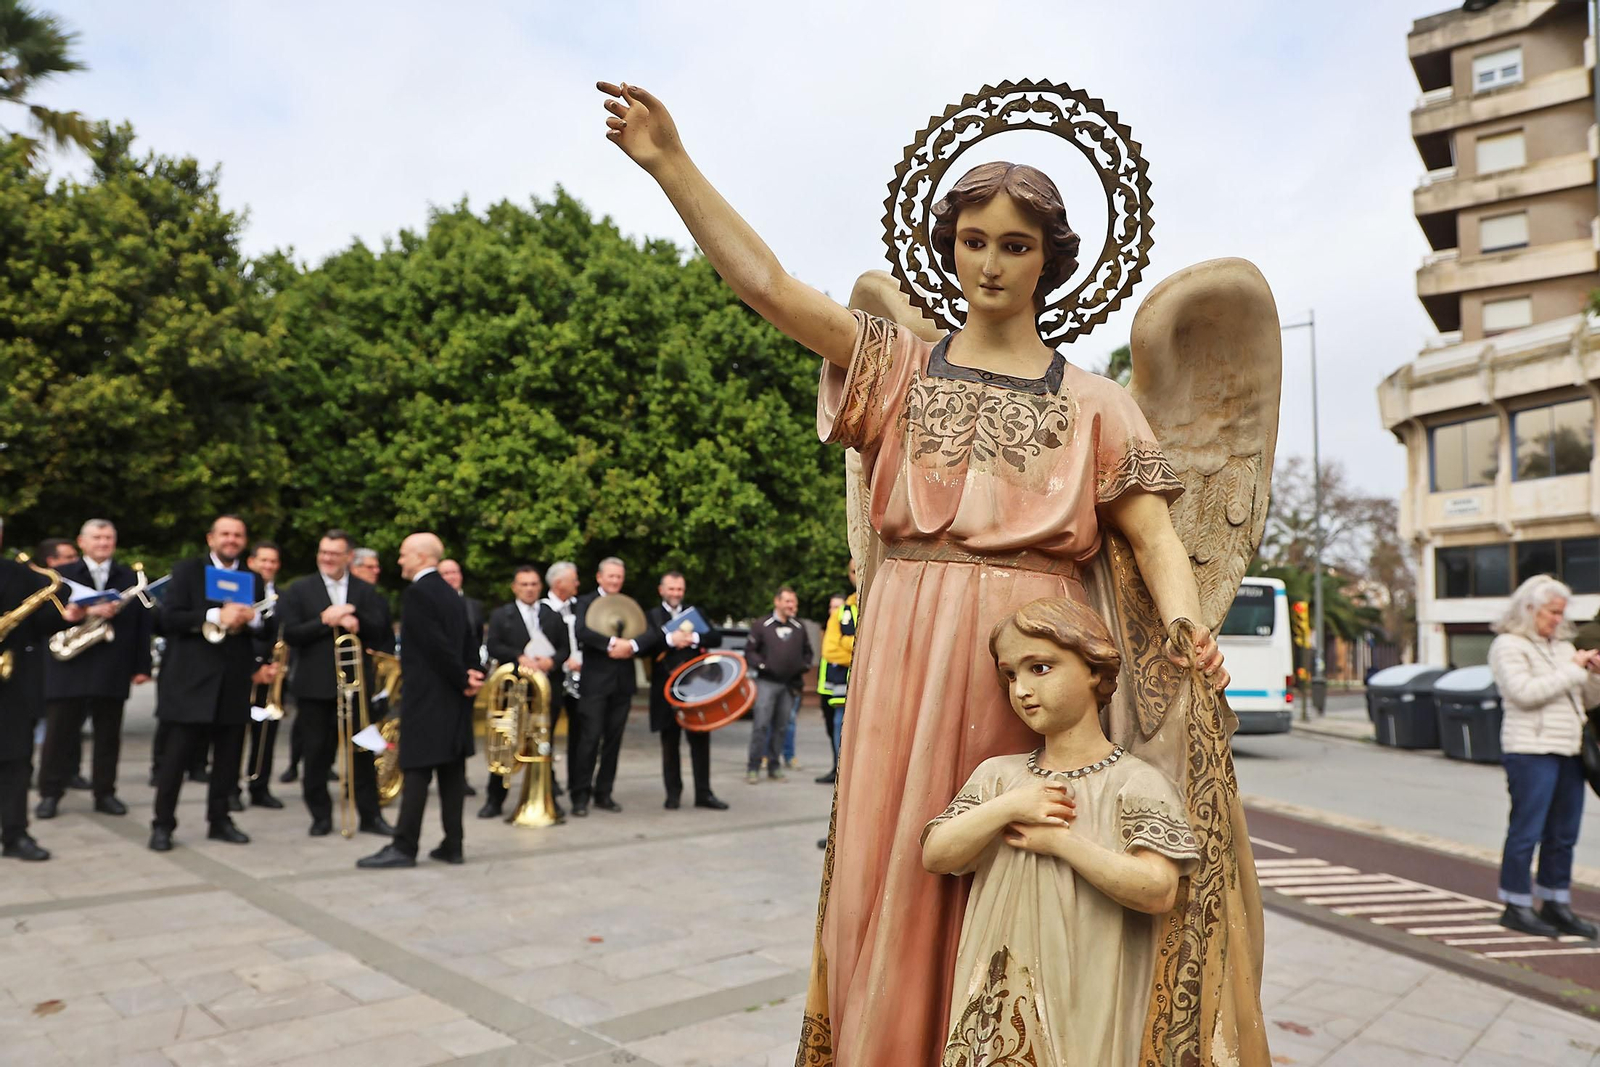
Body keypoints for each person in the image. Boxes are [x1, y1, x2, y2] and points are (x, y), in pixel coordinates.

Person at [597, 84, 1236, 1064]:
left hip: (1032, 646)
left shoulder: (1099, 403)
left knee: (1021, 859)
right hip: (903, 637)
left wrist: (1188, 618)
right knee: (893, 864)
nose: (991, 261)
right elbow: (769, 287)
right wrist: (670, 163)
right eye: (974, 238)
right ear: (948, 246)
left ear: (1050, 260)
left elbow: (1152, 535)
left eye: (1016, 244)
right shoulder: (893, 365)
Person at [923, 598, 1197, 1066]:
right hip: (995, 985)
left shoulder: (1134, 783)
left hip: (1085, 986)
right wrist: (1011, 805)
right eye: (1011, 675)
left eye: (1041, 668)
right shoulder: (998, 776)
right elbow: (937, 854)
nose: (1022, 689)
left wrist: (1060, 843)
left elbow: (1158, 890)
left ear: (1094, 669)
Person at [358, 533, 484, 868]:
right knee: (451, 773)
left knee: (415, 770)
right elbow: (470, 638)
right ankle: (453, 844)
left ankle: (404, 846)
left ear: (421, 556)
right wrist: (473, 676)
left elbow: (435, 646)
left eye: (403, 554)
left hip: (428, 698)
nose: (399, 560)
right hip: (455, 699)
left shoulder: (417, 594)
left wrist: (461, 676)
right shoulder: (451, 593)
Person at [149, 515, 273, 851]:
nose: (231, 539)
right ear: (211, 538)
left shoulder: (253, 578)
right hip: (190, 681)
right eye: (225, 534)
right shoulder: (188, 571)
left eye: (238, 534)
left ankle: (219, 820)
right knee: (175, 760)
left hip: (233, 682)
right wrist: (215, 616)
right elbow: (165, 619)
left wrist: (253, 619)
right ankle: (162, 824)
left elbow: (267, 629)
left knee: (229, 758)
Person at [1487, 575, 1600, 939]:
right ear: (1530, 608)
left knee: (1563, 834)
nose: (1557, 619)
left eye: (1561, 613)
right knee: (1527, 831)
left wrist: (1593, 674)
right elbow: (1524, 693)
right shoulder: (1508, 646)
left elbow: (1587, 700)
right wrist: (1573, 670)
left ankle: (1555, 903)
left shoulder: (1563, 648)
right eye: (1552, 612)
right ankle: (1516, 904)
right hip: (1530, 751)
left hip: (1568, 750)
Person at [278, 531, 395, 837]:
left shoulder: (364, 590)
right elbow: (290, 633)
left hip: (356, 687)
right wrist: (326, 620)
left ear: (348, 557)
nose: (327, 558)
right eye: (323, 552)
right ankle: (320, 816)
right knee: (316, 754)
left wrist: (356, 621)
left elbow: (381, 631)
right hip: (315, 688)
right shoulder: (300, 589)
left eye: (334, 553)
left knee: (363, 753)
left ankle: (371, 816)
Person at [37, 519, 153, 820]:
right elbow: (43, 619)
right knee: (59, 735)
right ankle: (50, 793)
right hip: (69, 666)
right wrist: (83, 612)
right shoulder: (60, 576)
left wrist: (142, 666)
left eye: (109, 538)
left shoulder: (129, 576)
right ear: (82, 542)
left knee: (108, 736)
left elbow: (142, 626)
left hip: (112, 666)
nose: (103, 543)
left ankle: (105, 793)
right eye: (97, 538)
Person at [0, 517, 82, 861]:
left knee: (17, 762)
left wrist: (67, 616)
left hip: (13, 684)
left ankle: (16, 834)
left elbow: (41, 625)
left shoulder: (20, 574)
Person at [481, 564, 559, 818]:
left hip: (543, 693)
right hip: (513, 689)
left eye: (534, 584)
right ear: (515, 587)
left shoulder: (552, 615)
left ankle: (545, 794)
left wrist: (553, 661)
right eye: (524, 584)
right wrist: (518, 658)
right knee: (506, 742)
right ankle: (495, 799)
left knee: (543, 742)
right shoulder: (502, 615)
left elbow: (565, 648)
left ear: (540, 587)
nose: (529, 588)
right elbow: (493, 645)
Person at [644, 570, 727, 811]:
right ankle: (673, 794)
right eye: (671, 589)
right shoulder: (651, 616)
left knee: (701, 741)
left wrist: (692, 638)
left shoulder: (695, 613)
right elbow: (645, 646)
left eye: (679, 589)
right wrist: (670, 640)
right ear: (661, 590)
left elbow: (715, 638)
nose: (675, 593)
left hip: (696, 690)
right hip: (665, 690)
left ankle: (704, 793)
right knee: (669, 744)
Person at [570, 557, 639, 817]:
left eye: (619, 577)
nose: (615, 581)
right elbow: (582, 631)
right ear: (599, 577)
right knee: (589, 739)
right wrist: (612, 643)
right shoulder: (585, 602)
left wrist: (631, 646)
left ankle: (604, 793)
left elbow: (646, 633)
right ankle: (580, 795)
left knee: (613, 741)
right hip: (595, 684)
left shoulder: (628, 605)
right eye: (610, 576)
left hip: (622, 684)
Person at [743, 587, 813, 784]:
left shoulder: (799, 626)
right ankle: (753, 767)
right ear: (777, 602)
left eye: (794, 602)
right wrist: (764, 665)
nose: (792, 606)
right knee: (761, 725)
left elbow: (808, 652)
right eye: (788, 602)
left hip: (789, 685)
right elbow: (750, 651)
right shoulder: (761, 625)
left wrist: (804, 666)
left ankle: (774, 766)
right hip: (767, 683)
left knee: (782, 726)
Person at [235, 540, 283, 810]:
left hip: (272, 674)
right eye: (263, 560)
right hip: (245, 673)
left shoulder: (282, 596)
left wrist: (277, 668)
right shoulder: (240, 593)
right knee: (234, 735)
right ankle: (231, 788)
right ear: (251, 562)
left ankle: (260, 786)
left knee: (266, 734)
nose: (268, 566)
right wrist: (254, 669)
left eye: (273, 561)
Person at [33, 538, 84, 790]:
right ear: (52, 562)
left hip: (68, 661)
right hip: (39, 662)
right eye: (69, 557)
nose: (75, 562)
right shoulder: (39, 584)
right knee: (45, 724)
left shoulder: (71, 585)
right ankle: (40, 775)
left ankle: (72, 772)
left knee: (70, 724)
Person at [816, 560, 860, 786]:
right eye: (853, 570)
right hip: (841, 691)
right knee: (838, 728)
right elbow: (829, 650)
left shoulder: (881, 604)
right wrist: (859, 648)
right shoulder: (841, 612)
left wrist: (847, 642)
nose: (858, 573)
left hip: (872, 690)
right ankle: (840, 774)